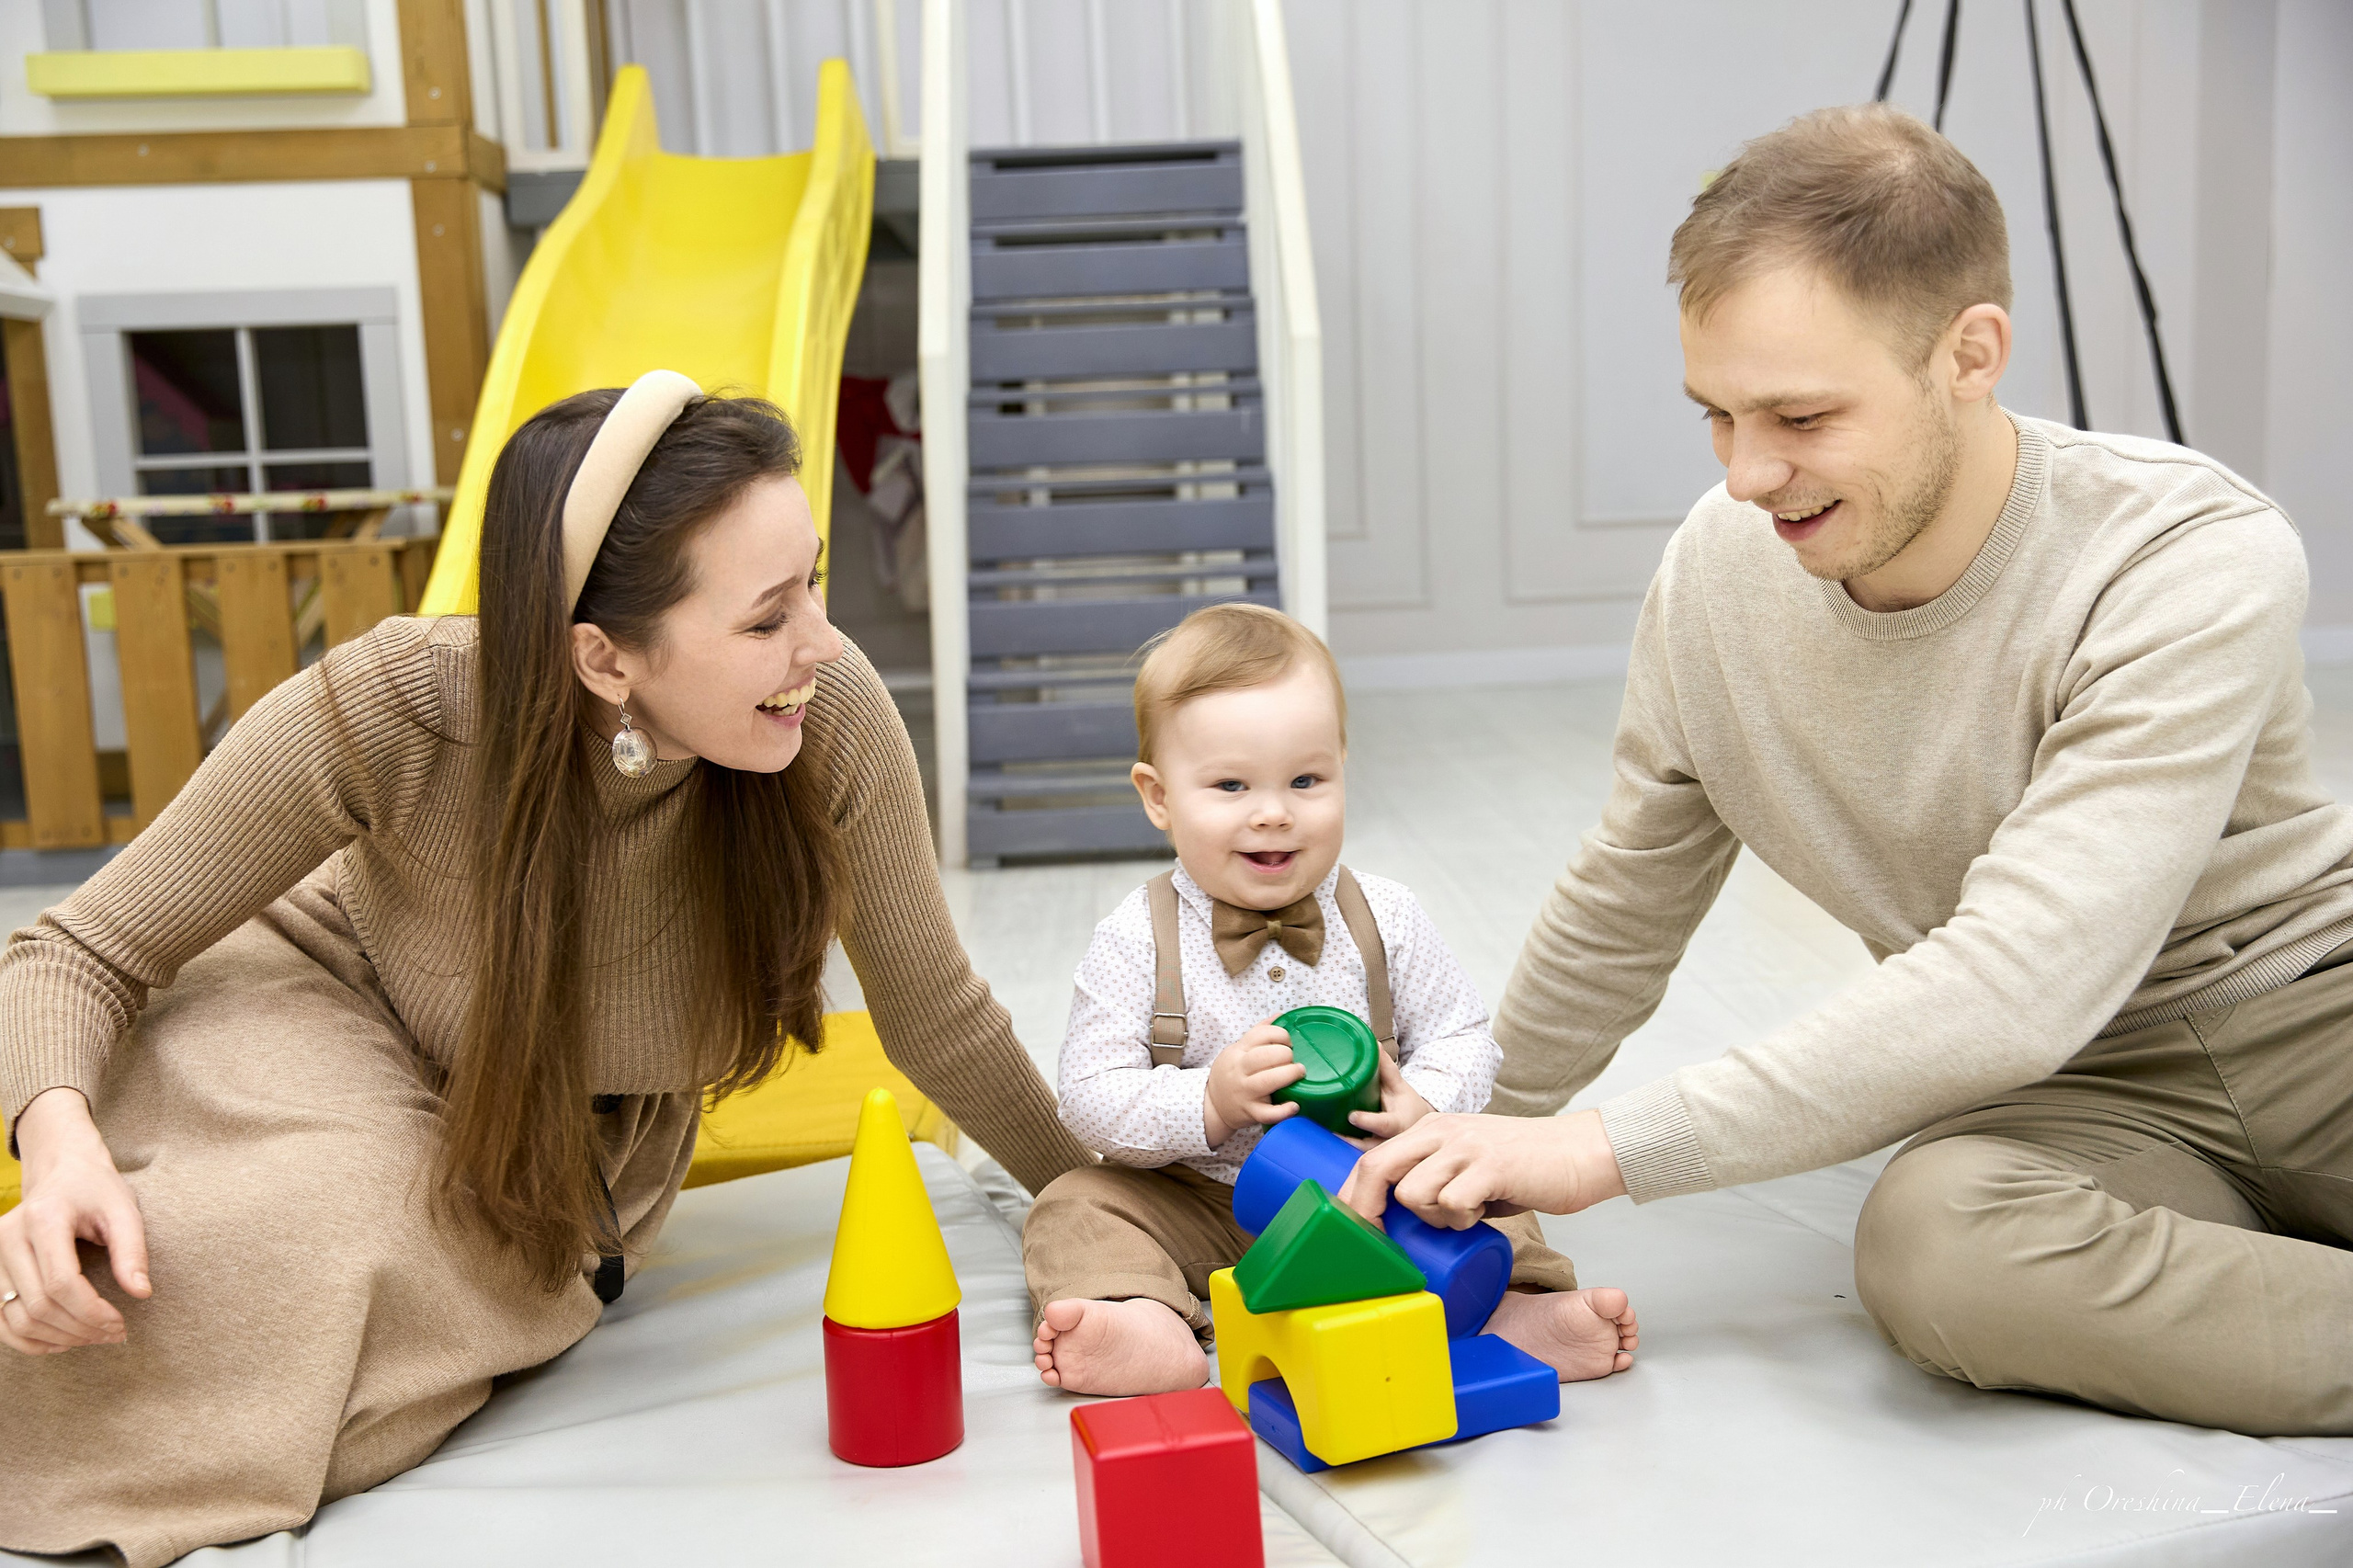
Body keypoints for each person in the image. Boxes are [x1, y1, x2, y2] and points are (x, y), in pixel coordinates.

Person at [1343, 104, 2353, 1437]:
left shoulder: (2187, 554)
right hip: (2076, 1098)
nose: (1748, 473)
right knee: (1937, 1246)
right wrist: (1460, 1132)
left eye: (1802, 415)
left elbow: (2021, 976)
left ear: (1968, 355)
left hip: (2309, 1018)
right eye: (1717, 415)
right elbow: (1627, 893)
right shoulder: (1719, 573)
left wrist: (1598, 1150)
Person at [0, 374, 1092, 1565]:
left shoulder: (828, 719)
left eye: (814, 583)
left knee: (361, 1259)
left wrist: (1110, 1206)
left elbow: (940, 1018)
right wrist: (58, 1150)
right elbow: (79, 947)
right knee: (205, 1251)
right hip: (316, 1000)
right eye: (767, 617)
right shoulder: (403, 703)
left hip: (560, 1137)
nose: (821, 642)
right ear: (604, 658)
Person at [1024, 603, 1637, 1396]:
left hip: (1379, 1191)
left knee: (1492, 1180)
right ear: (1159, 796)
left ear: (1343, 769)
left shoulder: (1385, 916)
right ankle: (1144, 1318)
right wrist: (1208, 1101)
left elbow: (1463, 1035)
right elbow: (1088, 1097)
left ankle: (1514, 1307)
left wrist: (1423, 1106)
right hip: (1204, 1200)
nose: (1273, 811)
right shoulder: (1136, 938)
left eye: (1306, 780)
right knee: (1075, 1205)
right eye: (1231, 784)